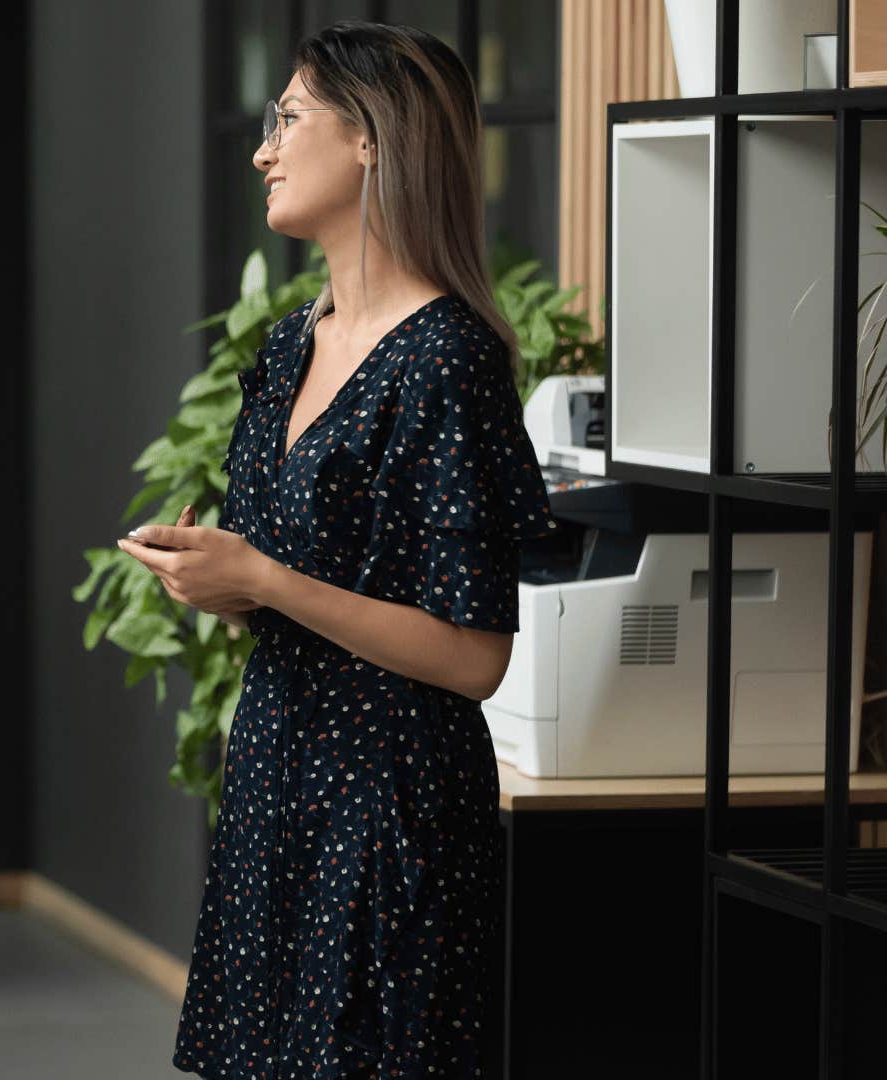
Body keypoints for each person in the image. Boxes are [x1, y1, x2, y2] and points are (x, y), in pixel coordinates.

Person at [119, 21, 553, 1079]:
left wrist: (264, 578)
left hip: (392, 808)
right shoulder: (289, 346)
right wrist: (220, 581)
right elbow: (280, 590)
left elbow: (474, 657)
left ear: (372, 138)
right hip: (276, 784)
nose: (262, 149)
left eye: (289, 118)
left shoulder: (447, 359)